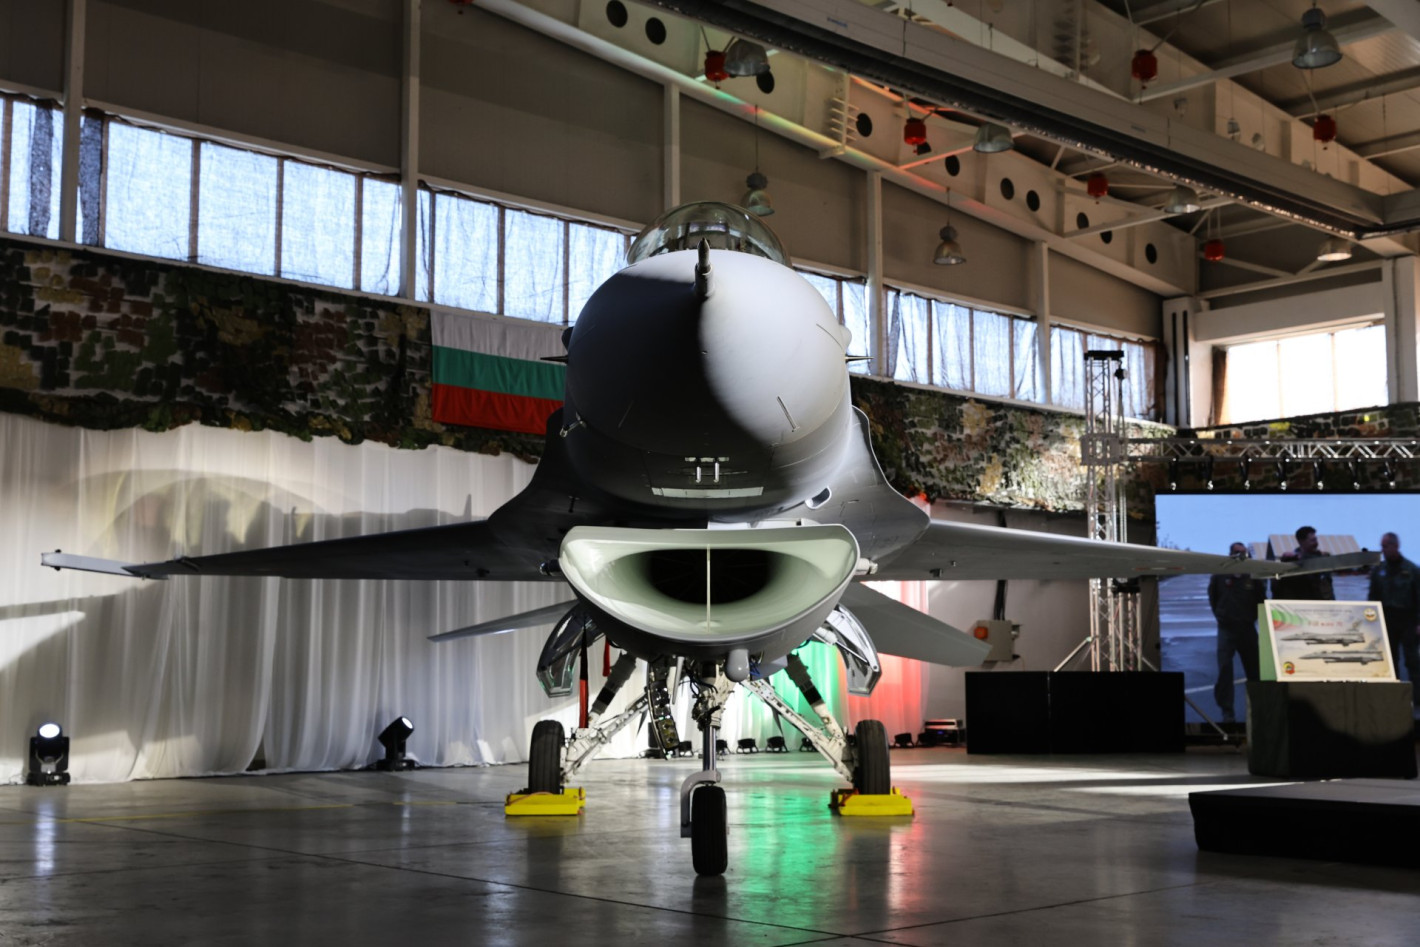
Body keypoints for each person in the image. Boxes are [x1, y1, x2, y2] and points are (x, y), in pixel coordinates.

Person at [1208, 542, 1266, 723]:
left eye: (1244, 553)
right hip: (1226, 629)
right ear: (1231, 554)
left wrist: (1252, 618)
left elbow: (1261, 599)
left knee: (1255, 670)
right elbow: (1213, 597)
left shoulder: (1252, 575)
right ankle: (1227, 712)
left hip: (1247, 628)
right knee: (1225, 669)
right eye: (1237, 553)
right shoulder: (1220, 575)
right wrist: (1221, 616)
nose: (1241, 556)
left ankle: (1259, 708)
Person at [1368, 532, 1420, 705]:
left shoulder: (1412, 570)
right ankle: (1394, 699)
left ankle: (1417, 699)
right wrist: (1371, 623)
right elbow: (1372, 598)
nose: (1382, 550)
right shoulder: (1379, 571)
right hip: (1386, 620)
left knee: (1412, 660)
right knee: (1390, 660)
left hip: (1407, 620)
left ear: (1395, 546)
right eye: (1381, 546)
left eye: (1385, 546)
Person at [1271, 525, 1334, 600]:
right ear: (1301, 541)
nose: (1316, 543)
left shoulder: (1322, 558)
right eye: (1312, 540)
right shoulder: (1291, 560)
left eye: (1315, 539)